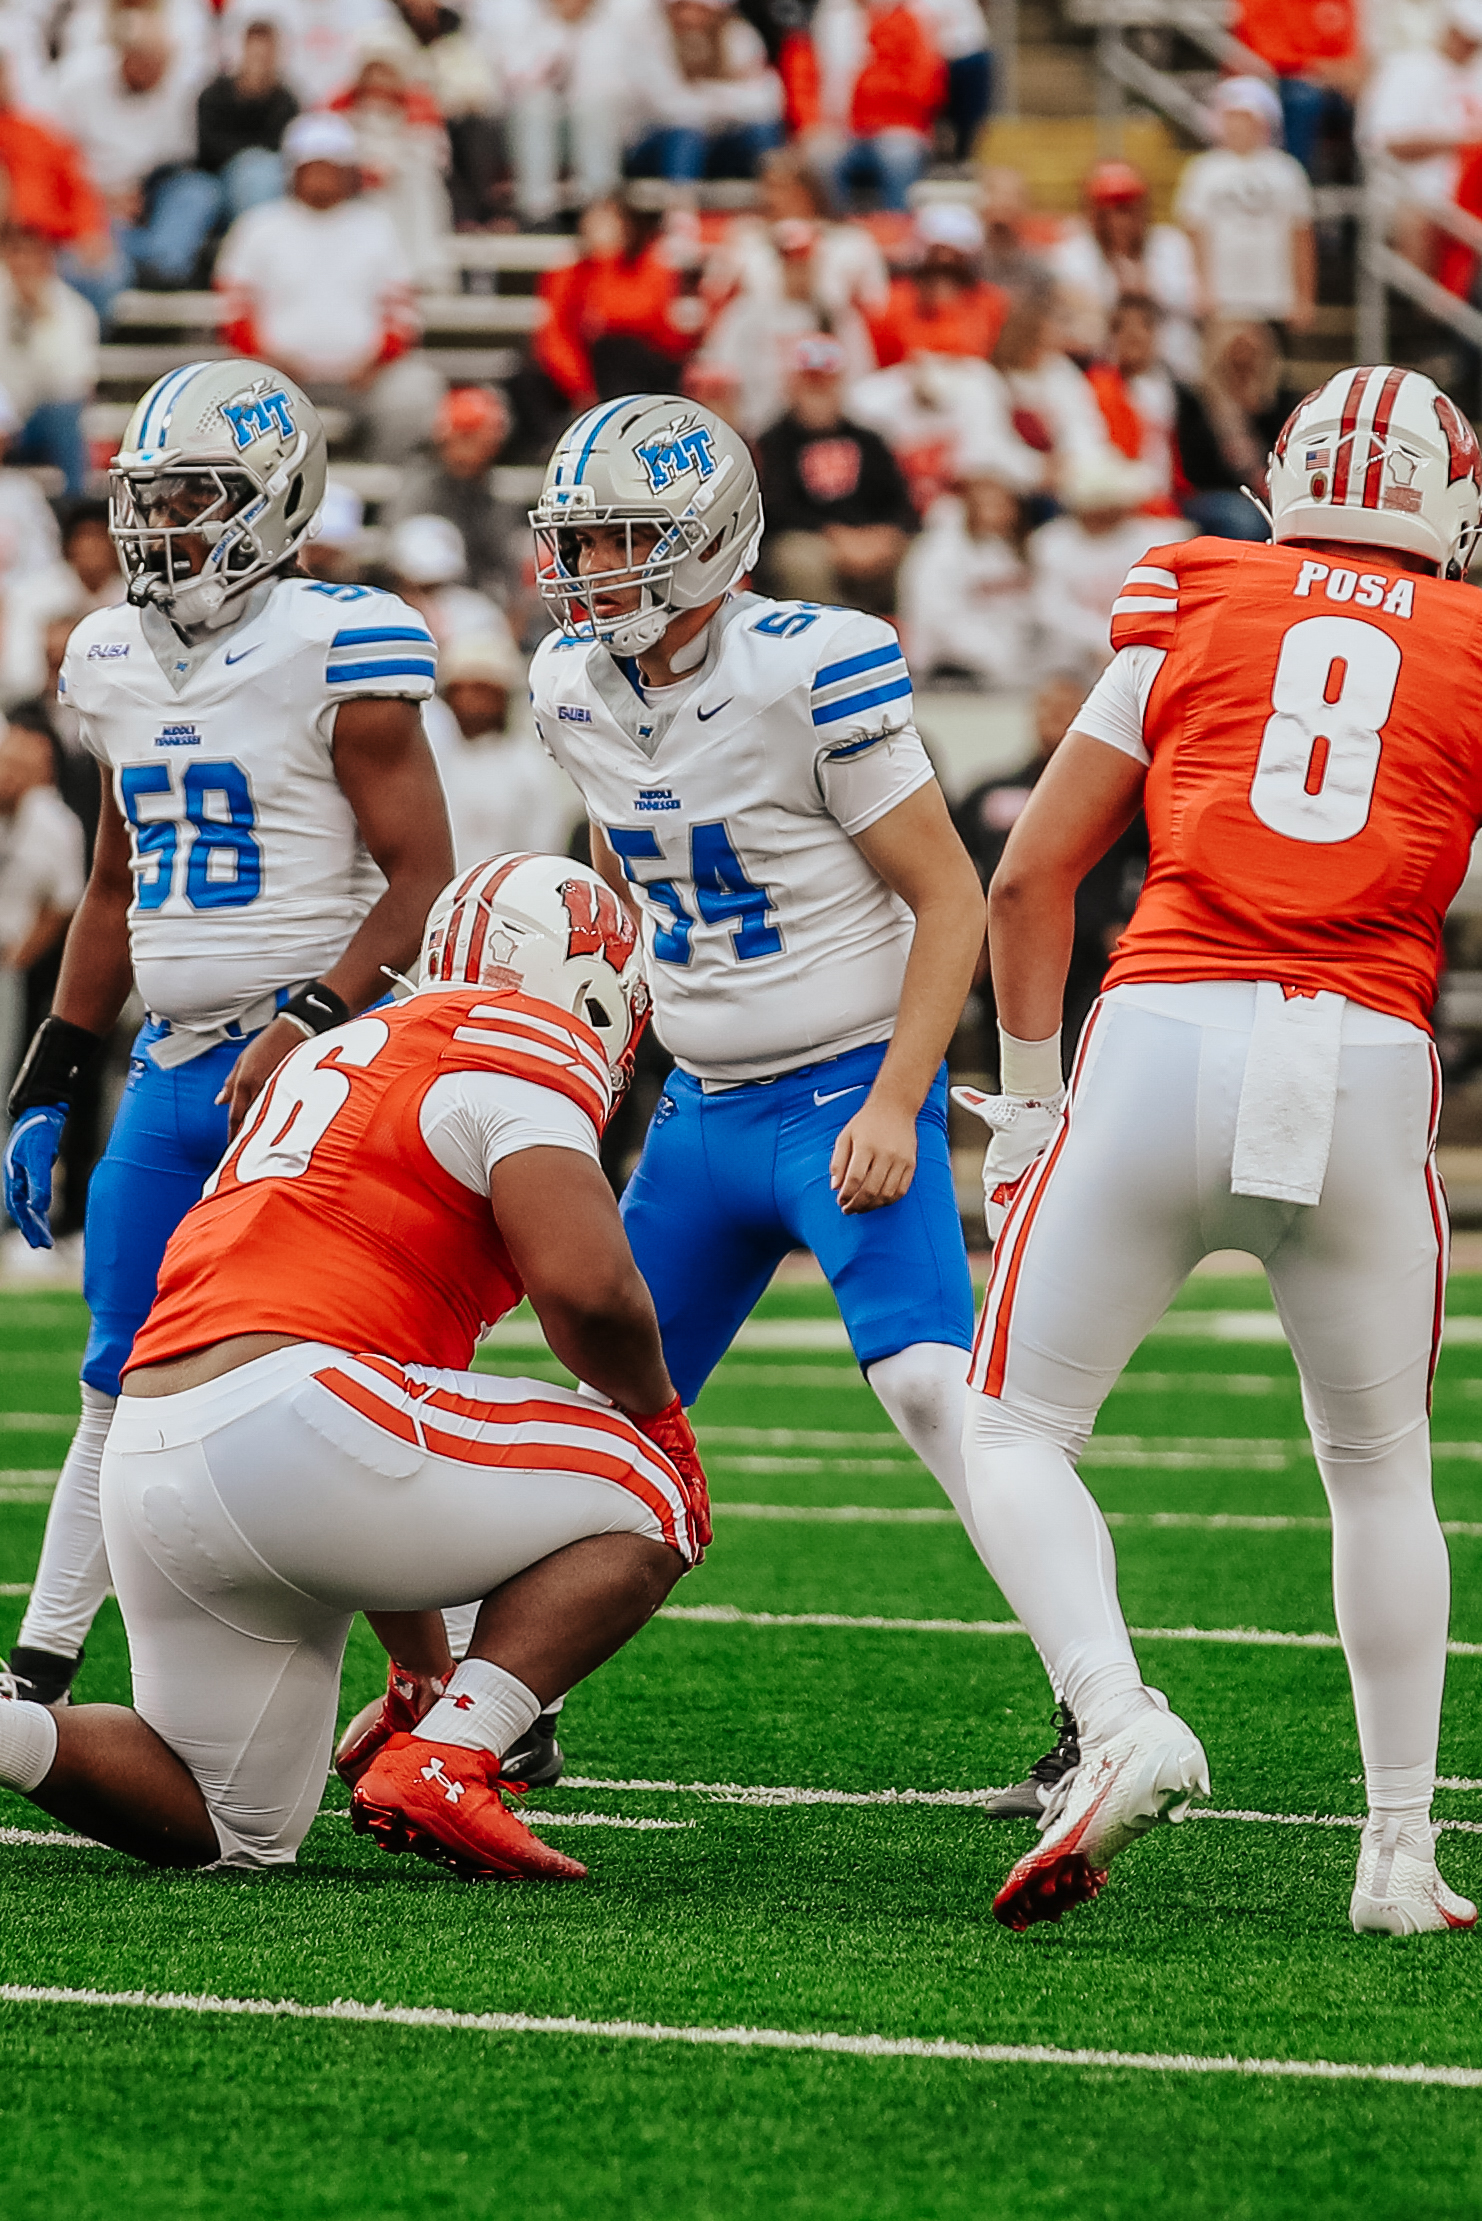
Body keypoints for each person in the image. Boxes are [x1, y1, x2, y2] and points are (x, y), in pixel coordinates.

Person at [961, 364, 1482, 1936]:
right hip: (1369, 1056)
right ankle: (1396, 1857)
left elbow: (1029, 880)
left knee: (1013, 1429)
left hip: (1162, 1040)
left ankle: (1116, 1717)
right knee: (1379, 1470)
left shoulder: (1191, 588)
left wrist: (1035, 1105)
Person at [0, 853, 709, 1877]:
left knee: (234, 1822)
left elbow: (380, 1445)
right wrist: (662, 1416)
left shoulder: (340, 1050)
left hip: (160, 1438)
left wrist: (426, 1672)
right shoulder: (522, 1038)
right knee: (653, 1491)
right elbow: (590, 1291)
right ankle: (460, 1756)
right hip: (293, 1414)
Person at [527, 393, 1020, 1755]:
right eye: (579, 537)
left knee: (928, 1384)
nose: (591, 565)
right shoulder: (572, 683)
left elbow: (952, 900)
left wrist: (894, 1099)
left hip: (839, 1090)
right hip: (698, 1109)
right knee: (597, 1412)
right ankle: (509, 1697)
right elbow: (627, 869)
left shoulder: (810, 663)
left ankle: (1090, 1696)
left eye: (624, 534)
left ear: (706, 538)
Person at [1, 357, 454, 1713]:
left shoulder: (341, 640)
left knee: (338, 1374)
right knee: (112, 1369)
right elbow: (112, 888)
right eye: (151, 497)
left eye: (197, 494)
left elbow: (422, 877)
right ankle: (38, 1666)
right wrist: (49, 1074)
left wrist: (315, 1014)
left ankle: (461, 1687)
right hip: (176, 1061)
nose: (166, 524)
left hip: (316, 1061)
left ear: (275, 496)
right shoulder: (105, 653)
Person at [215, 110, 442, 465]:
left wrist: (376, 360)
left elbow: (402, 311)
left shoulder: (376, 227)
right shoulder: (260, 227)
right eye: (312, 166)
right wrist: (270, 359)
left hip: (364, 378)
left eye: (331, 167)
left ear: (349, 173)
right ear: (293, 171)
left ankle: (380, 483)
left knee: (415, 392)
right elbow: (233, 311)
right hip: (275, 377)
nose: (321, 177)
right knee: (229, 390)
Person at [757, 332, 918, 612]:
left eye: (826, 383)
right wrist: (834, 536)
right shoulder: (772, 442)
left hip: (871, 538)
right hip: (808, 539)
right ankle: (829, 648)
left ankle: (921, 650)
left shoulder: (869, 441)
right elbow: (775, 508)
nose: (818, 392)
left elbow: (899, 499)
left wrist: (885, 534)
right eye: (810, 383)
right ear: (792, 385)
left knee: (928, 556)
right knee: (802, 562)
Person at [1175, 77, 1316, 336]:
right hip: (1223, 298)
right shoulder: (1203, 170)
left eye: (1242, 117)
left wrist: (1304, 296)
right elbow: (1193, 231)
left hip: (1273, 298)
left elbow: (1300, 235)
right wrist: (1199, 287)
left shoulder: (1286, 171)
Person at [1027, 449, 1190, 673]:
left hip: (1144, 652)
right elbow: (1051, 608)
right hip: (1071, 660)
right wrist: (1101, 641)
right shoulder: (1052, 542)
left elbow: (1167, 601)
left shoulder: (1162, 538)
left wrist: (1127, 642)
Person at [779, 0, 945, 213]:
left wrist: (872, 106)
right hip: (836, 130)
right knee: (819, 156)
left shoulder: (908, 21)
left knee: (898, 155)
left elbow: (925, 86)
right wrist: (810, 124)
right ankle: (841, 230)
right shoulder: (820, 21)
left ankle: (894, 229)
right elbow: (801, 82)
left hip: (897, 127)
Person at [1048, 158, 1199, 383]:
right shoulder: (1071, 254)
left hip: (1170, 367)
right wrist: (1118, 292)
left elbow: (1196, 303)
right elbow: (1074, 319)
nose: (1118, 220)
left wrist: (1150, 288)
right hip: (1100, 368)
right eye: (1107, 210)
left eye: (1127, 208)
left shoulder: (1169, 244)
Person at [432, 632, 570, 867]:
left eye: (480, 689)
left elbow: (544, 852)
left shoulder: (529, 765)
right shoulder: (436, 758)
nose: (468, 700)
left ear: (502, 694)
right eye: (460, 689)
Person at [384, 384, 525, 608]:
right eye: (465, 438)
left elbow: (506, 564)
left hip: (478, 606)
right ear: (444, 439)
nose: (477, 450)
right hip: (425, 602)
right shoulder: (420, 490)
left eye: (483, 441)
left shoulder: (492, 493)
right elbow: (402, 567)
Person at [625, 0, 784, 184]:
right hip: (658, 146)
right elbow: (670, 109)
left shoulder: (739, 34)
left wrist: (701, 93)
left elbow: (767, 102)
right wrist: (731, 93)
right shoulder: (650, 36)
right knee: (685, 135)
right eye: (682, 7)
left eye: (700, 10)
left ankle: (776, 201)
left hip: (721, 143)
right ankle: (681, 207)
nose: (689, 18)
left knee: (763, 130)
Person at [897, 471, 1031, 688]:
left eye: (1007, 504)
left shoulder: (1003, 549)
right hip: (946, 670)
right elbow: (937, 619)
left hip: (1002, 669)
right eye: (991, 504)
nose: (1004, 512)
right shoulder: (939, 551)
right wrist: (993, 655)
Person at [0, 225, 100, 498]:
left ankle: (74, 504)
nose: (21, 262)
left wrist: (41, 322)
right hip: (4, 413)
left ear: (46, 259)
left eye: (30, 254)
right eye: (14, 253)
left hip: (39, 421)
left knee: (66, 414)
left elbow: (74, 384)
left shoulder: (74, 310)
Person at [864, 200, 1009, 370]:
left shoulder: (990, 302)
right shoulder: (891, 300)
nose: (944, 260)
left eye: (955, 254)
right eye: (936, 252)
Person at [194, 16, 300, 234]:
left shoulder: (286, 100)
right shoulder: (215, 94)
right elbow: (208, 147)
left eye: (266, 53)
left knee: (261, 174)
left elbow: (288, 146)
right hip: (220, 177)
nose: (260, 59)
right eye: (255, 52)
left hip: (270, 176)